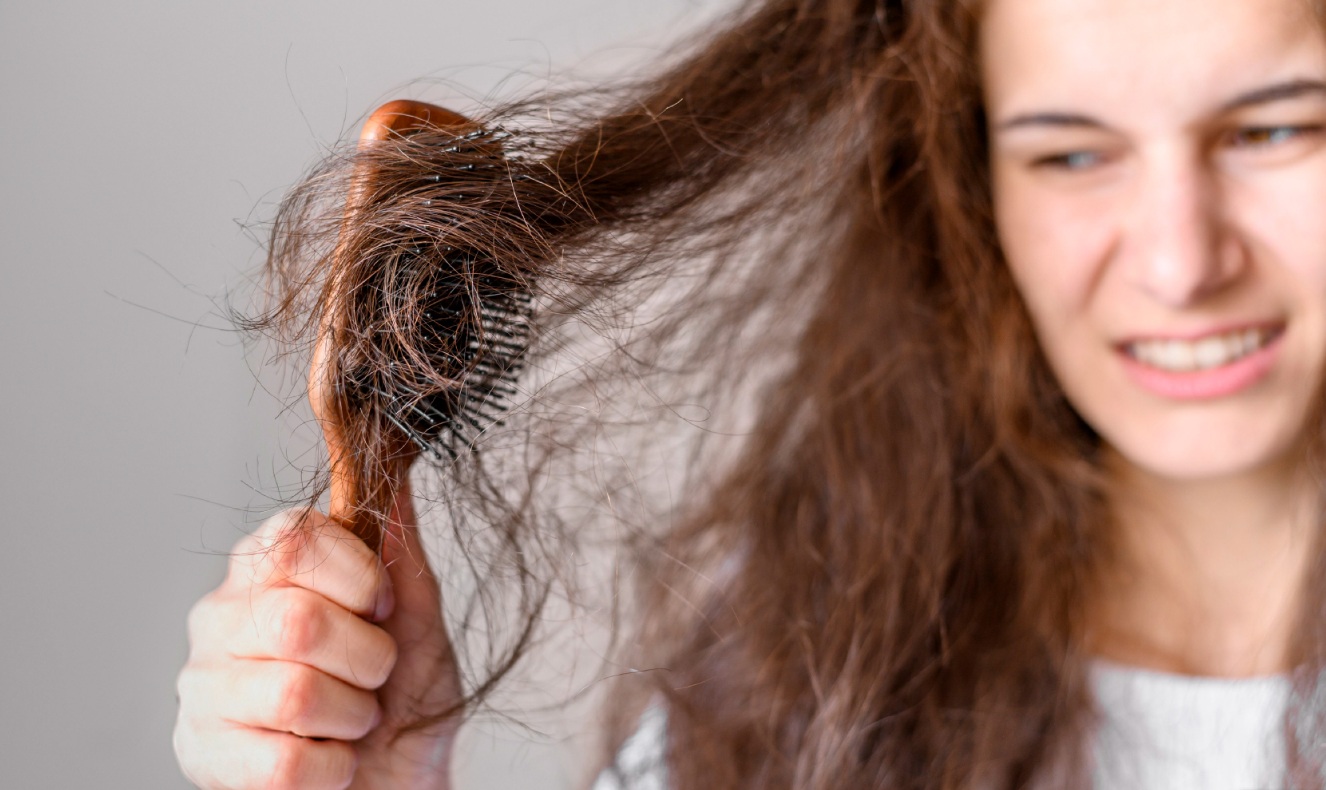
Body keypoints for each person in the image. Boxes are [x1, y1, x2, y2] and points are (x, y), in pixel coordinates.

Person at [173, 0, 1326, 786]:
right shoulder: (804, 669)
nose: (1182, 264)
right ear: (974, 189)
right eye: (1070, 153)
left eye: (1275, 129)